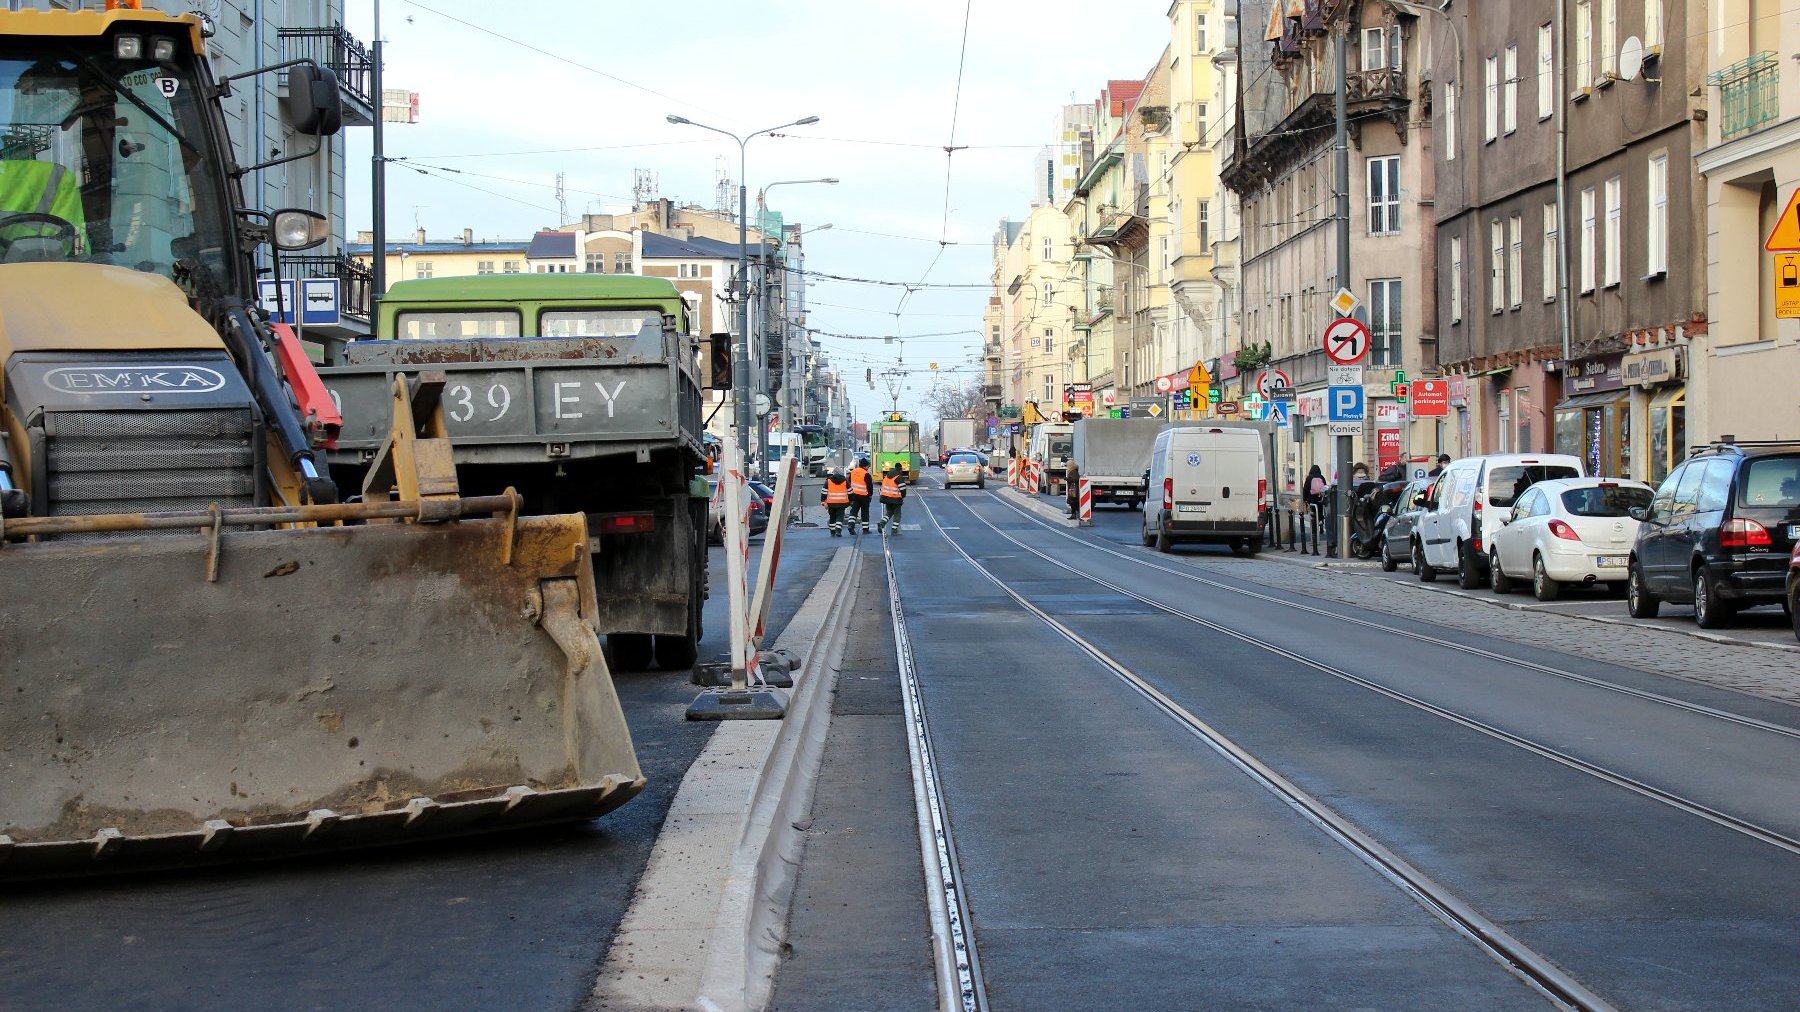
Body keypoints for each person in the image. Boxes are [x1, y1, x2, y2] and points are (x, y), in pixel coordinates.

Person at [877, 462, 907, 535]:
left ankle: (881, 523)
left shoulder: (887, 475)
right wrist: (902, 497)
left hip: (885, 497)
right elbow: (903, 489)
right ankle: (894, 530)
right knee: (897, 514)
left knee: (889, 512)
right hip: (895, 498)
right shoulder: (899, 477)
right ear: (900, 469)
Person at [821, 469, 851, 537]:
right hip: (842, 503)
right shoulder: (845, 481)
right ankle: (838, 529)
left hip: (831, 503)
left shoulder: (828, 481)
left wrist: (823, 502)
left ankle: (832, 531)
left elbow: (823, 493)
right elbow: (850, 491)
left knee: (832, 517)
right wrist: (850, 501)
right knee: (840, 517)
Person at [847, 457, 873, 534]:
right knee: (865, 512)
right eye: (868, 466)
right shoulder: (866, 474)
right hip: (864, 496)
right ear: (865, 466)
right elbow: (870, 486)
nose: (868, 468)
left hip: (854, 495)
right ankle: (865, 529)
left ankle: (850, 525)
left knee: (854, 512)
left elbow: (849, 482)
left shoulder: (853, 472)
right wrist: (870, 495)